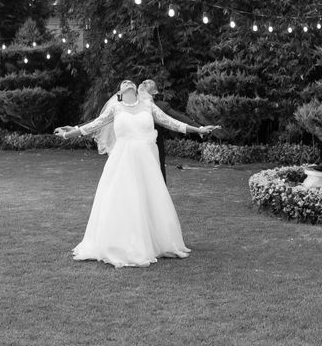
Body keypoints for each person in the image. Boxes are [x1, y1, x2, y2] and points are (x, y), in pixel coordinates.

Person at [54, 79, 219, 268]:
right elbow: (93, 125)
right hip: (122, 162)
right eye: (123, 83)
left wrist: (198, 129)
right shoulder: (115, 108)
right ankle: (122, 243)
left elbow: (171, 122)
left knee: (149, 199)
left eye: (129, 81)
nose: (127, 82)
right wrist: (70, 133)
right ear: (119, 93)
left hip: (146, 162)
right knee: (123, 200)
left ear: (136, 89)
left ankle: (155, 242)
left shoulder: (148, 105)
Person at [138, 79, 205, 182]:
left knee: (157, 176)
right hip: (135, 147)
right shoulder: (130, 105)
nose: (146, 82)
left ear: (155, 92)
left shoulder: (161, 106)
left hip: (155, 146)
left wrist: (198, 128)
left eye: (150, 82)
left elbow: (178, 118)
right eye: (144, 81)